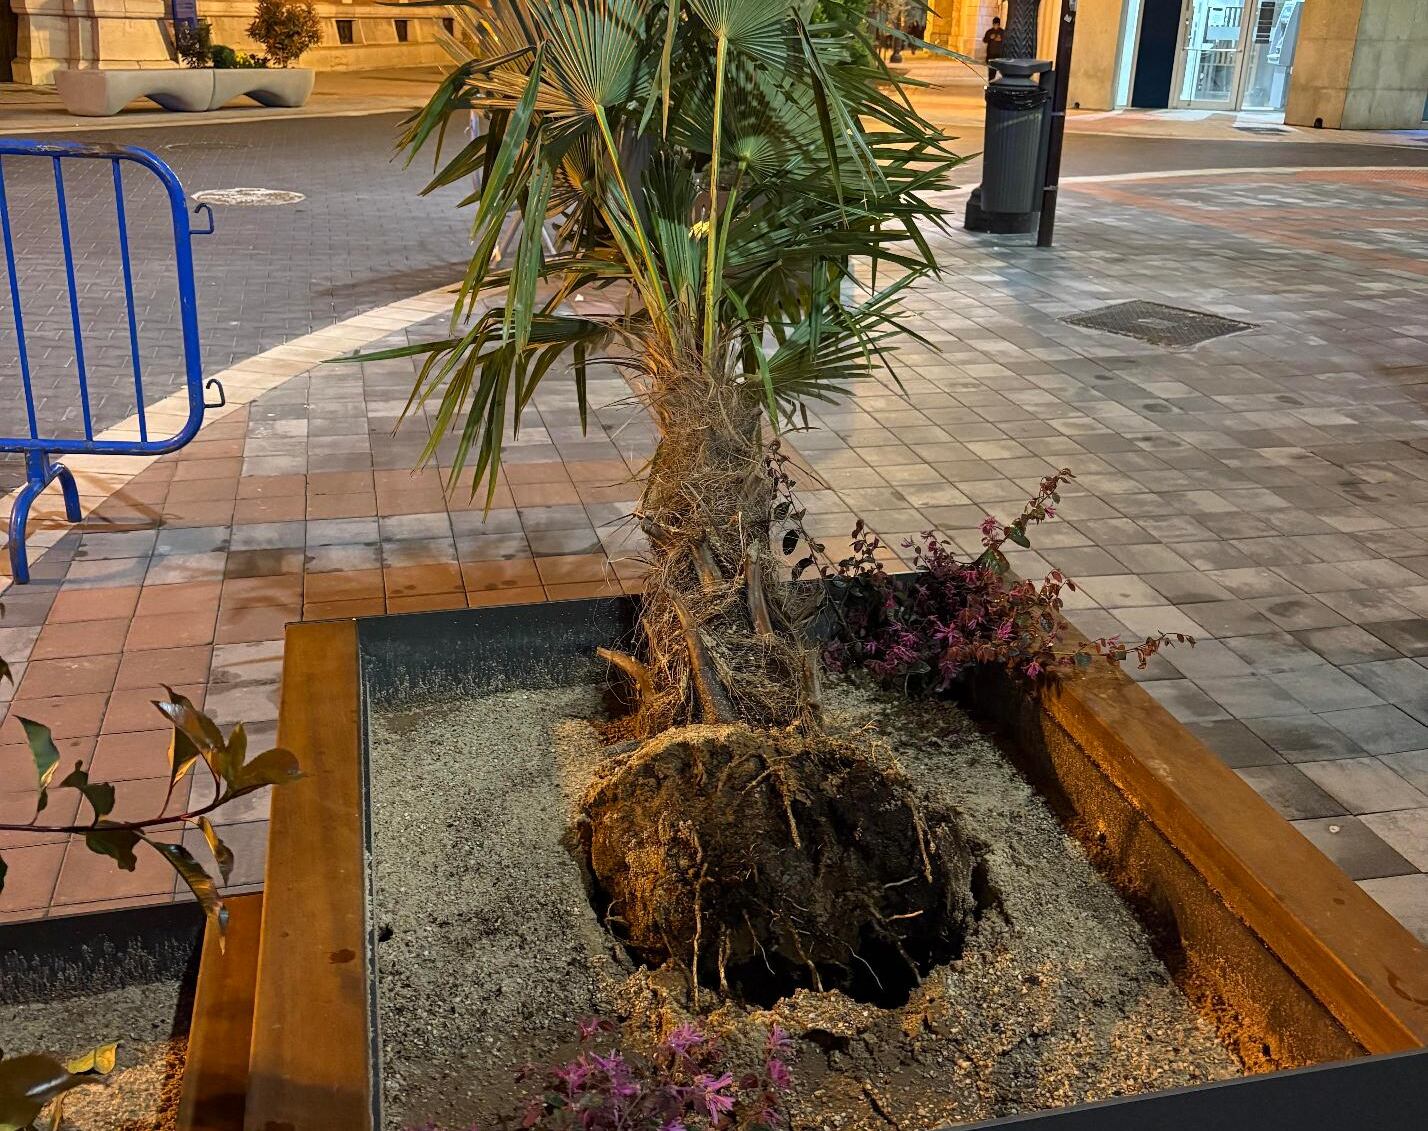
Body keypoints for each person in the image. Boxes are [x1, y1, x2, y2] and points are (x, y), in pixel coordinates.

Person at [983, 16, 1005, 81]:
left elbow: (1006, 41)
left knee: (998, 69)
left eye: (997, 25)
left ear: (999, 24)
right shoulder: (989, 31)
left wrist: (1001, 40)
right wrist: (990, 37)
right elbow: (984, 40)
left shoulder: (1002, 32)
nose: (996, 26)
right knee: (991, 70)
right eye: (994, 24)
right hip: (991, 54)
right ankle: (991, 81)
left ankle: (997, 81)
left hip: (999, 54)